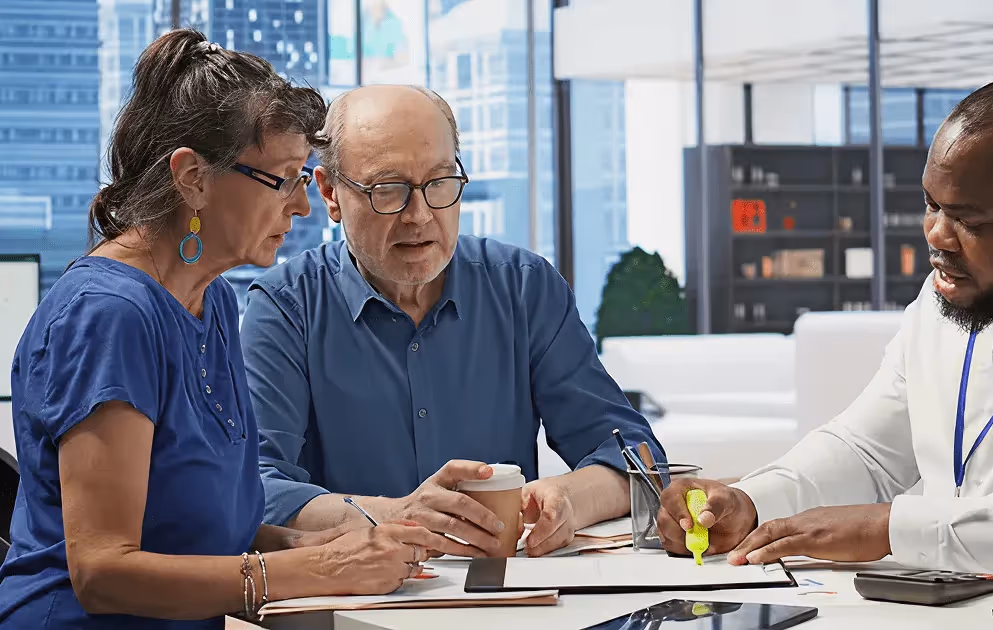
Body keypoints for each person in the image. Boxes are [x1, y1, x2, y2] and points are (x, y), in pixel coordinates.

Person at [658, 75, 993, 585]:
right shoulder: (951, 294)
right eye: (931, 205)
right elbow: (868, 450)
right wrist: (751, 502)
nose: (937, 235)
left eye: (970, 220)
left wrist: (891, 529)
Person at [0, 31, 459, 629]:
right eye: (285, 178)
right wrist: (316, 569)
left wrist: (331, 548)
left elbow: (202, 532)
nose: (301, 206)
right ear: (193, 177)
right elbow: (103, 572)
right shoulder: (108, 315)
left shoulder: (211, 298)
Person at [241, 84, 665, 557]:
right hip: (357, 590)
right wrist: (396, 515)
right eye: (388, 189)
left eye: (440, 182)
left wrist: (569, 498)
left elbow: (636, 457)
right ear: (330, 193)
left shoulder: (524, 287)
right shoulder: (285, 306)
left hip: (510, 588)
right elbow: (254, 487)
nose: (419, 215)